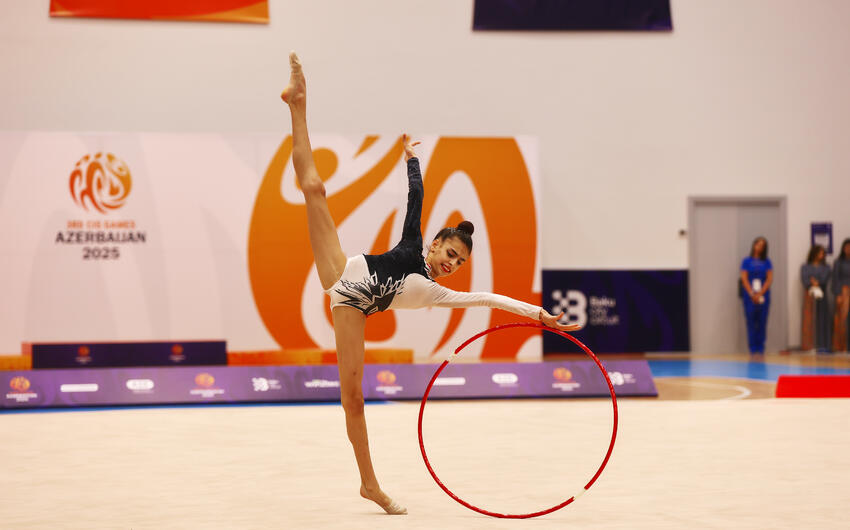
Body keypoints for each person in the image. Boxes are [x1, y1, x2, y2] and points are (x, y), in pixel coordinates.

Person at [279, 52, 577, 515]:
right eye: (451, 254)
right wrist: (412, 158)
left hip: (351, 309)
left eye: (460, 262)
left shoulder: (439, 293)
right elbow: (415, 196)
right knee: (314, 188)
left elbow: (489, 299)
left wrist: (538, 314)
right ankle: (298, 103)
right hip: (339, 271)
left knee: (353, 400)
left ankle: (370, 486)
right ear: (436, 244)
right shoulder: (413, 243)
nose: (452, 264)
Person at [740, 237, 773, 354]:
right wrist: (752, 293)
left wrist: (760, 293)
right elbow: (744, 278)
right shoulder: (746, 261)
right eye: (758, 244)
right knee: (751, 321)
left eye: (762, 245)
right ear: (754, 245)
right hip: (749, 295)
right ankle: (752, 348)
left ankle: (761, 347)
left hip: (763, 295)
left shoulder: (767, 262)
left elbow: (769, 279)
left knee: (762, 321)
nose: (759, 247)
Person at [800, 245, 831, 352]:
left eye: (823, 253)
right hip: (809, 294)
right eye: (820, 253)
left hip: (821, 294)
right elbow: (804, 279)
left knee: (822, 318)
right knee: (809, 319)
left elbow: (824, 279)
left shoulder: (826, 267)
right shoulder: (805, 266)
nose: (821, 255)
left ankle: (822, 345)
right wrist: (811, 282)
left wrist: (817, 282)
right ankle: (809, 345)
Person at [832, 238, 850, 352]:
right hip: (843, 292)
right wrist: (838, 294)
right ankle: (841, 347)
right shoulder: (838, 262)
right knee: (842, 320)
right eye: (847, 247)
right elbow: (835, 279)